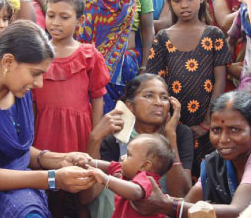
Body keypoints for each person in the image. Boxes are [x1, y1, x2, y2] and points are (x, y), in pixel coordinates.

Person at [0, 20, 95, 218]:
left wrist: (57, 159)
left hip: (16, 188)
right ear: (8, 62)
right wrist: (53, 179)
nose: (39, 84)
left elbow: (15, 151)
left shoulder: (18, 88)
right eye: (35, 73)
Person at [82, 74, 194, 217]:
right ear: (130, 106)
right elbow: (87, 197)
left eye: (164, 97)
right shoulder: (117, 137)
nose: (158, 103)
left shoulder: (180, 133)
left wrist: (170, 136)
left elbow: (181, 195)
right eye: (148, 96)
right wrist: (95, 139)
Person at [146, 0, 232, 180]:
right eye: (177, 1)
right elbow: (157, 84)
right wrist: (170, 125)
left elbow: (220, 82)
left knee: (207, 177)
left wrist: (207, 123)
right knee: (176, 172)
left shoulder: (214, 35)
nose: (184, 5)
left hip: (207, 124)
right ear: (169, 3)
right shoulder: (162, 38)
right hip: (173, 125)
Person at [131, 90, 251, 218]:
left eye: (235, 130)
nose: (223, 139)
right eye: (216, 130)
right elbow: (188, 203)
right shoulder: (213, 163)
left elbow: (240, 211)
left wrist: (167, 204)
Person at [32, 0, 109, 154]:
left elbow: (97, 98)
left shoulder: (88, 55)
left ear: (79, 20)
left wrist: (95, 136)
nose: (56, 22)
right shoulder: (37, 54)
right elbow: (32, 102)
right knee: (45, 173)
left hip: (78, 131)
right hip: (44, 130)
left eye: (64, 17)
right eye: (51, 15)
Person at [85, 133, 174, 218]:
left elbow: (135, 192)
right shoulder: (128, 172)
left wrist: (105, 179)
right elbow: (109, 166)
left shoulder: (147, 180)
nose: (123, 157)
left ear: (145, 166)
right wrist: (88, 161)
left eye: (128, 155)